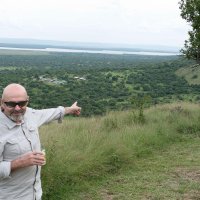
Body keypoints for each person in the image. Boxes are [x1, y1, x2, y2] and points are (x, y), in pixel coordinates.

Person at [0, 83, 81, 200]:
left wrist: (70, 109)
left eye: (22, 103)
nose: (17, 108)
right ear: (2, 102)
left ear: (27, 101)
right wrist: (18, 163)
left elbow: (50, 113)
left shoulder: (30, 114)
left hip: (35, 193)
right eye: (11, 104)